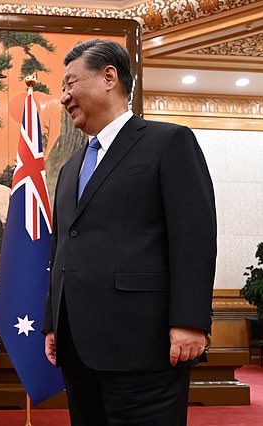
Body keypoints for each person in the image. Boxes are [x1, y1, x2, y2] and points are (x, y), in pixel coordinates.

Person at [43, 40, 216, 425]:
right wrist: (53, 321)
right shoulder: (71, 166)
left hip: (144, 343)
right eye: (61, 88)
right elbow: (62, 247)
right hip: (77, 346)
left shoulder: (168, 142)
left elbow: (194, 238)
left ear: (109, 77)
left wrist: (190, 321)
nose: (64, 97)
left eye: (70, 83)